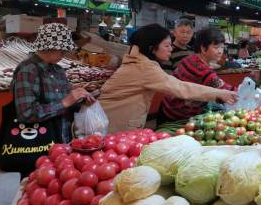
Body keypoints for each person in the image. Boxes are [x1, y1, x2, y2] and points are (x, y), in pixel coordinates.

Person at [99, 24, 239, 133]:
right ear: (152, 48)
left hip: (109, 120)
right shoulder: (145, 67)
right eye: (166, 46)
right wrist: (219, 93)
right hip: (109, 124)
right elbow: (180, 87)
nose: (171, 49)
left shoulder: (140, 61)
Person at [10, 23, 98, 144]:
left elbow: (66, 106)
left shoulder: (58, 70)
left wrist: (81, 102)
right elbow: (26, 113)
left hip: (62, 139)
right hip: (38, 143)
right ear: (48, 46)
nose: (64, 54)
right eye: (62, 50)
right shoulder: (28, 70)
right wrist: (64, 102)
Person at [158, 27, 238, 123]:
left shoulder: (191, 58)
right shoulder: (203, 70)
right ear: (203, 48)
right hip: (176, 118)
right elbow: (226, 91)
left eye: (222, 47)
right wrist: (254, 95)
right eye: (216, 47)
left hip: (166, 107)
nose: (220, 51)